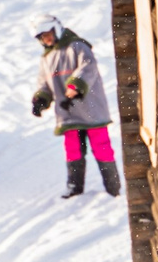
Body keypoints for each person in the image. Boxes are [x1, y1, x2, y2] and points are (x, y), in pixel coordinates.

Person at [27, 15, 117, 197]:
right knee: (73, 149)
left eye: (48, 34)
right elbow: (44, 84)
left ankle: (112, 186)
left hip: (91, 109)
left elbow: (88, 66)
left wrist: (75, 85)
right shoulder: (47, 59)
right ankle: (74, 186)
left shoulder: (77, 46)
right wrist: (41, 99)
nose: (47, 39)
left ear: (56, 29)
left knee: (101, 147)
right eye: (43, 37)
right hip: (67, 113)